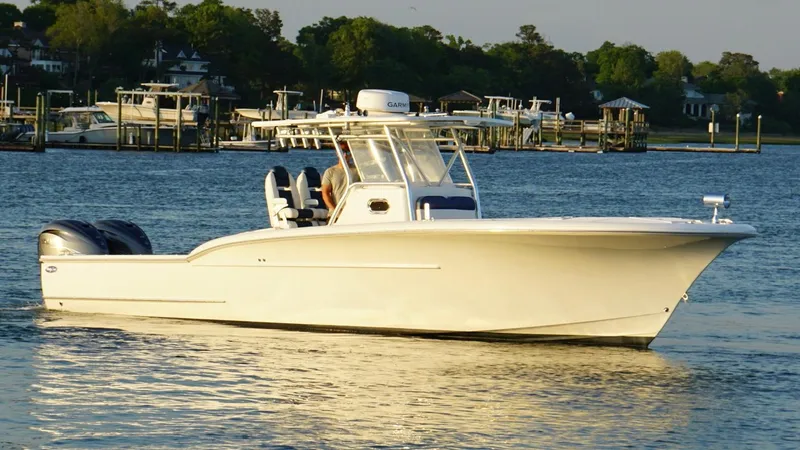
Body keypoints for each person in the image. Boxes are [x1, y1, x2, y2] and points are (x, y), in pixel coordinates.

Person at [321, 141, 358, 212]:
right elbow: (325, 193)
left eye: (348, 152)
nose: (345, 155)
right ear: (337, 153)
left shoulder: (357, 171)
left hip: (352, 212)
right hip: (335, 214)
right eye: (342, 152)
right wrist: (336, 211)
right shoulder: (330, 171)